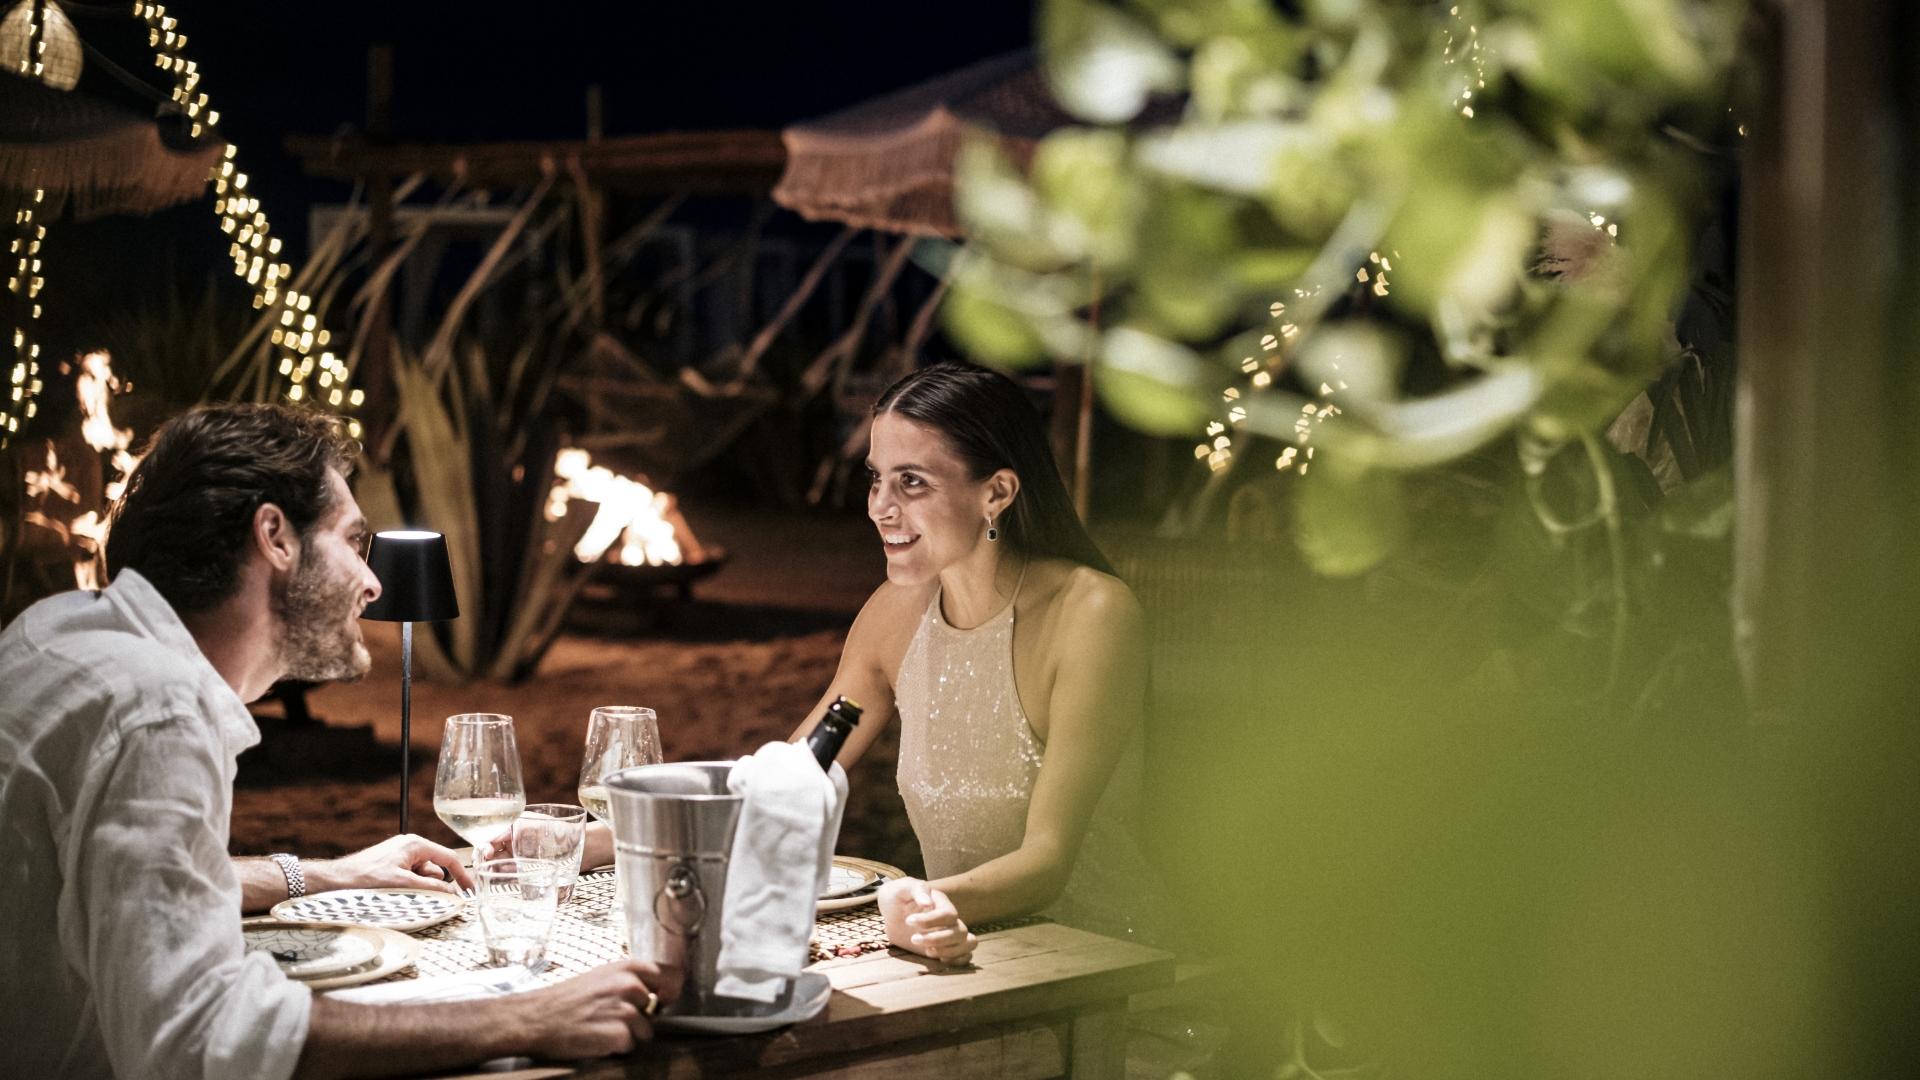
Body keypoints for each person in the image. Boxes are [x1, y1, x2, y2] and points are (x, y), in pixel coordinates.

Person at [0, 404, 675, 1080]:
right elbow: (202, 1037)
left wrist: (325, 875)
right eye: (354, 542)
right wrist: (528, 1018)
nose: (373, 582)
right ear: (275, 536)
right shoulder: (159, 710)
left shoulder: (60, 633)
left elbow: (125, 882)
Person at [788, 362, 1170, 964]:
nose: (880, 508)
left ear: (996, 492)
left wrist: (918, 903)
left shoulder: (1091, 613)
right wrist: (622, 835)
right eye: (876, 479)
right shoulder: (893, 616)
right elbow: (789, 782)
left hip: (1105, 970)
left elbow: (1047, 861)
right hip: (957, 955)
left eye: (912, 482)